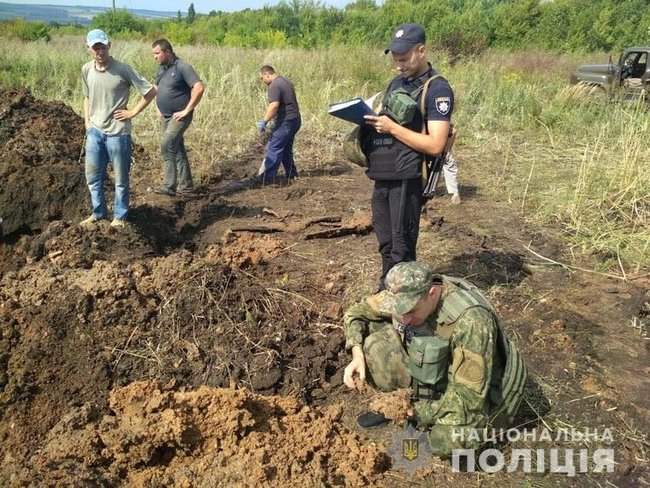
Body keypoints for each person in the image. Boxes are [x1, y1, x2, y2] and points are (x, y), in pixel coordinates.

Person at [342, 261, 527, 457]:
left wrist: (413, 411)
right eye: (399, 311)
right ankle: (414, 402)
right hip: (435, 370)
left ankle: (420, 412)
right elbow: (356, 312)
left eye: (410, 311)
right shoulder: (402, 293)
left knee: (446, 441)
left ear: (431, 293)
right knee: (375, 345)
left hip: (479, 391)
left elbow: (469, 400)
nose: (404, 319)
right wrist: (356, 352)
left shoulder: (472, 321)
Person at [361, 24, 455, 289]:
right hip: (383, 172)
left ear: (421, 51)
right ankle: (386, 290)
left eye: (403, 59)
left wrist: (392, 128)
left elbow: (436, 144)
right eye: (395, 60)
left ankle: (404, 302)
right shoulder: (395, 83)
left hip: (408, 177)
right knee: (386, 242)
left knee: (401, 247)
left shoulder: (437, 90)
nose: (398, 65)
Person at [80, 29, 156, 228]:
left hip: (118, 133)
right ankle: (98, 213)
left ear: (109, 45)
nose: (100, 51)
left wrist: (132, 112)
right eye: (96, 47)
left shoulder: (123, 69)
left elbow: (150, 91)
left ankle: (120, 216)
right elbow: (86, 97)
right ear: (88, 48)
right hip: (95, 132)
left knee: (120, 179)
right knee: (93, 177)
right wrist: (88, 122)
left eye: (103, 46)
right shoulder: (86, 69)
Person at [151, 39, 205, 197]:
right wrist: (157, 106)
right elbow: (157, 88)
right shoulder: (162, 68)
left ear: (167, 52)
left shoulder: (182, 67)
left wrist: (187, 110)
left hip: (179, 116)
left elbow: (199, 87)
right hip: (166, 116)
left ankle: (169, 186)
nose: (154, 57)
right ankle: (186, 187)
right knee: (177, 149)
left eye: (157, 53)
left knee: (166, 144)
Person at [256, 65, 301, 184]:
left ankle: (267, 179)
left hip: (285, 122)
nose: (262, 81)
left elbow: (274, 106)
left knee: (274, 147)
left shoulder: (274, 85)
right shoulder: (285, 81)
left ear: (267, 74)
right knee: (286, 149)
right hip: (295, 120)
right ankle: (292, 174)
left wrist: (264, 121)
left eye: (262, 78)